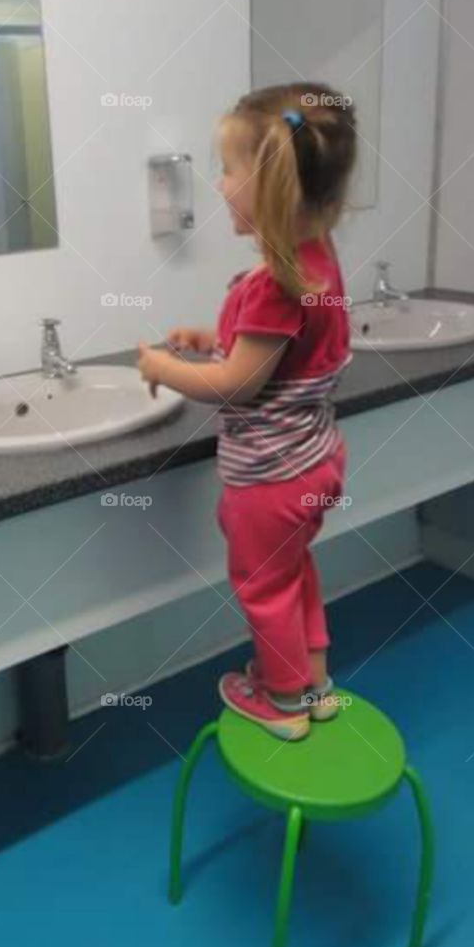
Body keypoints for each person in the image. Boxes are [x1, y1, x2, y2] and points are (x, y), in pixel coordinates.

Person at [137, 83, 355, 741]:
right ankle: (314, 686)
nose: (220, 184)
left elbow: (235, 386)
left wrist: (163, 369)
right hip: (316, 463)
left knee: (262, 587)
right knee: (292, 575)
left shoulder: (275, 282)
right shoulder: (317, 263)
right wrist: (214, 339)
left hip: (270, 481)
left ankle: (284, 704)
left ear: (271, 184)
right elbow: (278, 353)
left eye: (228, 170)